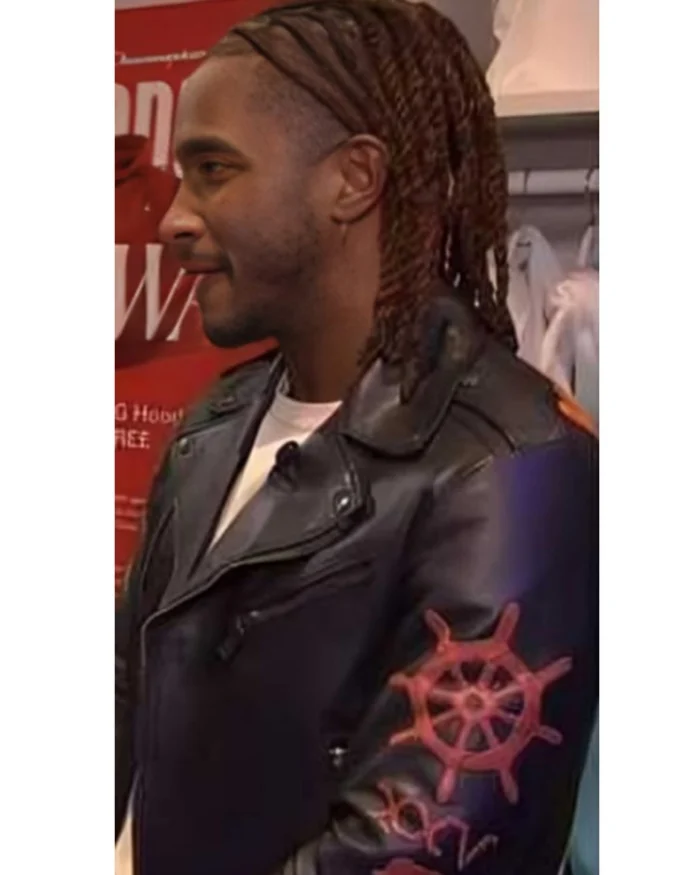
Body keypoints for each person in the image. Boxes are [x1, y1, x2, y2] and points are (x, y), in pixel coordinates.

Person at [115, 2, 598, 874]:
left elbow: (425, 840)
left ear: (352, 179)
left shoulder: (511, 464)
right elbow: (127, 700)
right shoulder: (214, 425)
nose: (174, 218)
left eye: (214, 170)